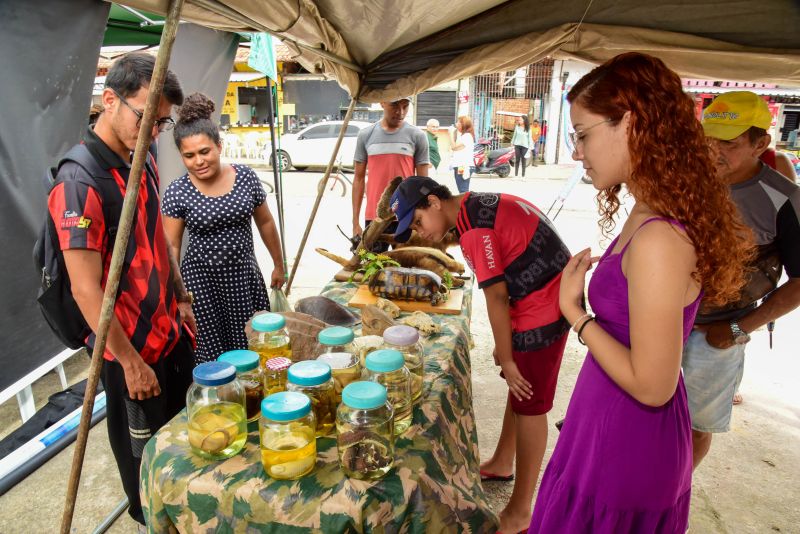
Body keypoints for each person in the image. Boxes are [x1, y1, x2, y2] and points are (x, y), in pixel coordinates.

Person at [529, 53, 751, 533]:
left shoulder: (658, 237)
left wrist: (577, 315)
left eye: (583, 134)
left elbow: (654, 385)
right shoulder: (647, 210)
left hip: (627, 444)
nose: (577, 151)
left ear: (629, 123)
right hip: (608, 427)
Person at [46, 52, 195, 527]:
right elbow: (87, 289)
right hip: (131, 355)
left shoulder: (141, 158)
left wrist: (183, 297)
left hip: (170, 334)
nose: (154, 133)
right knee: (146, 470)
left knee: (186, 449)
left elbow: (156, 238)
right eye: (146, 118)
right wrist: (130, 362)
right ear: (109, 101)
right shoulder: (78, 182)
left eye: (163, 124)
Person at [388, 176, 571, 534]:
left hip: (545, 302)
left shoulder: (473, 231)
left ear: (434, 202)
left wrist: (505, 354)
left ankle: (520, 512)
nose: (420, 233)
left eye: (419, 222)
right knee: (520, 387)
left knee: (531, 403)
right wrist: (508, 352)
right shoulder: (471, 206)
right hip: (541, 289)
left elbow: (497, 297)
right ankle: (504, 460)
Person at [683, 90, 800, 471]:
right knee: (645, 410)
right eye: (708, 140)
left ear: (760, 143)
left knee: (696, 425)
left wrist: (737, 327)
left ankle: (673, 495)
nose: (713, 151)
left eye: (728, 143)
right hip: (662, 320)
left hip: (717, 331)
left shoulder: (785, 200)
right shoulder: (685, 183)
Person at [161, 93, 285, 364]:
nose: (199, 161)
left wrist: (278, 263)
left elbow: (265, 221)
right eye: (189, 155)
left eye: (205, 151)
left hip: (244, 278)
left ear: (219, 145)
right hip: (201, 285)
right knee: (212, 355)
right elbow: (171, 246)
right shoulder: (178, 192)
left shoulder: (246, 178)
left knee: (255, 348)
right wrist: (179, 296)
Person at [351, 96, 429, 252]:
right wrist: (355, 222)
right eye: (394, 105)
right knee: (374, 269)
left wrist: (423, 220)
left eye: (405, 106)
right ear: (382, 102)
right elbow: (358, 179)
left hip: (406, 216)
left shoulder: (417, 136)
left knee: (407, 269)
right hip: (375, 217)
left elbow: (424, 183)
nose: (400, 112)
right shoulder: (366, 135)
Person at [450, 115, 475, 193]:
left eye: (458, 122)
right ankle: (464, 204)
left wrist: (450, 134)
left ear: (463, 124)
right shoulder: (463, 136)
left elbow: (454, 147)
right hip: (461, 166)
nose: (456, 123)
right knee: (462, 189)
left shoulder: (467, 136)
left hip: (463, 167)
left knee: (463, 190)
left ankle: (466, 204)